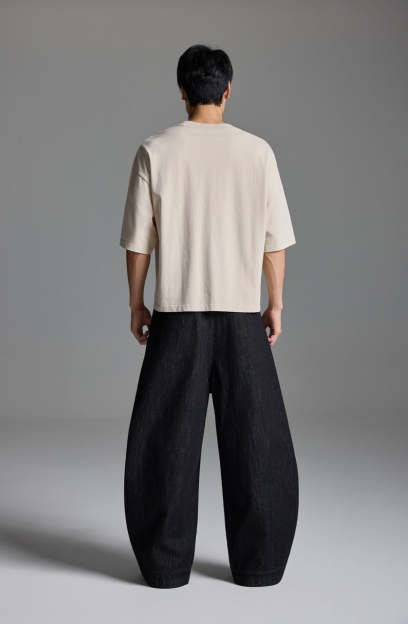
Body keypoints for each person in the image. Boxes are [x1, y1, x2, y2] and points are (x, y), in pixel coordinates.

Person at [119, 44, 299, 589]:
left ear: (182, 91)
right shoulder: (257, 152)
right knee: (259, 444)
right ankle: (260, 565)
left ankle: (164, 566)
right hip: (242, 316)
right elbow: (273, 241)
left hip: (177, 316)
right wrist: (275, 303)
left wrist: (136, 302)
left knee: (164, 444)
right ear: (227, 91)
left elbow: (138, 242)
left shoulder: (156, 151)